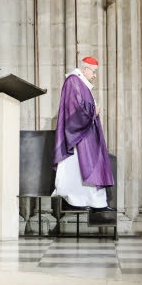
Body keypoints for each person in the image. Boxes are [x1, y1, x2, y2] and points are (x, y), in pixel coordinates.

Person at [53, 56, 115, 210]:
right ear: (85, 69)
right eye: (93, 72)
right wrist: (94, 110)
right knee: (79, 168)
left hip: (85, 132)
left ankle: (95, 202)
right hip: (78, 135)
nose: (94, 75)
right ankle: (77, 201)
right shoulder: (73, 81)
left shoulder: (80, 82)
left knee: (89, 165)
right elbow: (75, 107)